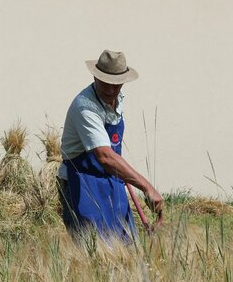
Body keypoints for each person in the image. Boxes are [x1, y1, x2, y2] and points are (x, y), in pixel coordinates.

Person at [58, 50, 163, 240]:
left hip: (111, 179)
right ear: (95, 76)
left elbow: (111, 152)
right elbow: (105, 156)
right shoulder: (85, 106)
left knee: (127, 245)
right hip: (81, 182)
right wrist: (146, 186)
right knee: (92, 248)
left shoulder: (117, 100)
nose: (110, 90)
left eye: (116, 85)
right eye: (105, 83)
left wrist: (124, 176)